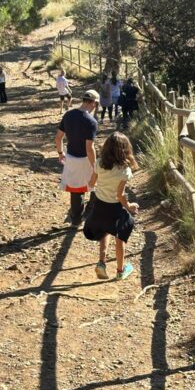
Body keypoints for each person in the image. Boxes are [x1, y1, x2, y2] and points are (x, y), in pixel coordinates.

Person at [83, 132, 139, 280]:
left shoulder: (99, 163)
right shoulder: (124, 170)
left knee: (105, 230)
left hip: (99, 205)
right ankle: (120, 271)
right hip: (115, 208)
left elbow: (92, 183)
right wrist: (129, 206)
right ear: (125, 150)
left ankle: (101, 263)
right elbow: (120, 195)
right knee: (120, 236)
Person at [55, 90, 100, 227]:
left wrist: (60, 153)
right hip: (85, 159)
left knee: (76, 190)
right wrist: (95, 166)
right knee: (95, 186)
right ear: (93, 103)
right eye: (96, 104)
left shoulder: (68, 115)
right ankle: (89, 214)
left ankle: (76, 220)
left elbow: (58, 138)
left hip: (71, 158)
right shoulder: (91, 122)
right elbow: (89, 148)